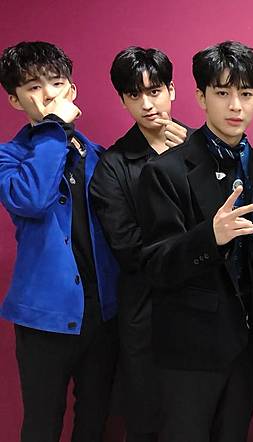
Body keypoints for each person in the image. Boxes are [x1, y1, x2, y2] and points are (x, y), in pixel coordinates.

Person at [135, 40, 253, 442]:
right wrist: (211, 235)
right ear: (200, 97)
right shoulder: (165, 171)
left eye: (246, 94)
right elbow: (156, 264)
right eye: (222, 93)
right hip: (188, 350)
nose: (235, 106)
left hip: (246, 347)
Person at [0, 41, 118, 442]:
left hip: (102, 312)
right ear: (15, 99)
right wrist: (53, 128)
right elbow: (32, 199)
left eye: (56, 82)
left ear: (73, 89)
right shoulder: (9, 157)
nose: (49, 94)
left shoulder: (98, 155)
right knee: (42, 424)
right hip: (44, 317)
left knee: (95, 421)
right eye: (33, 87)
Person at [89, 46, 190, 442]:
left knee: (200, 423)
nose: (147, 104)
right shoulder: (112, 166)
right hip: (146, 315)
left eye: (155, 90)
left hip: (206, 315)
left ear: (172, 90)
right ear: (123, 100)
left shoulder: (204, 148)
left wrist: (190, 161)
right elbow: (130, 250)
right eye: (135, 94)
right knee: (146, 422)